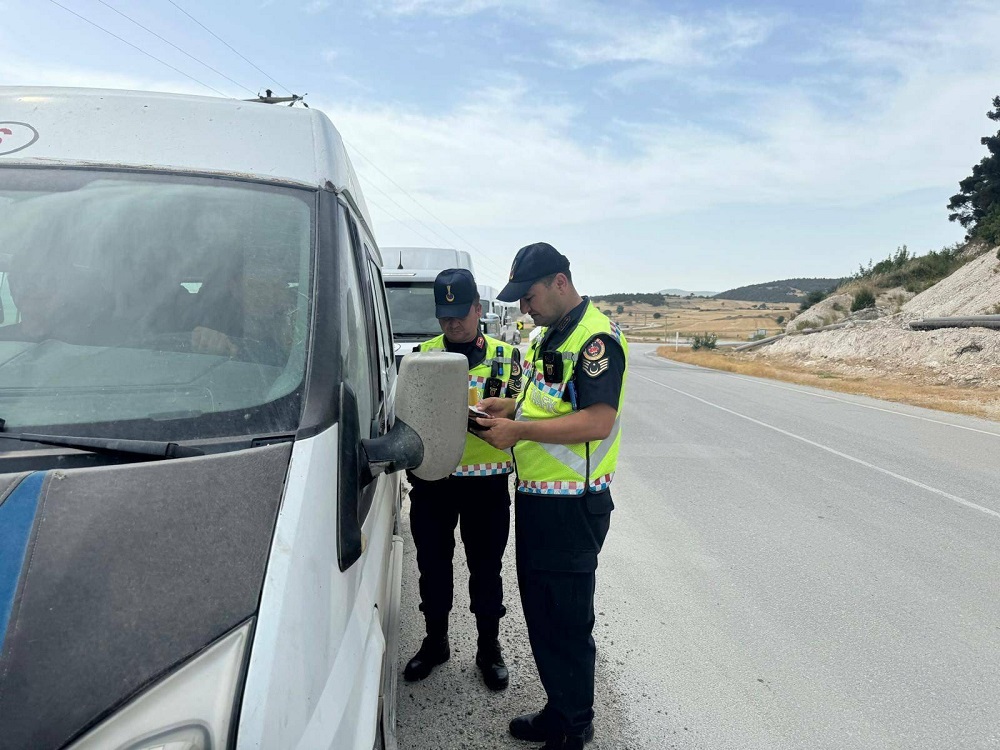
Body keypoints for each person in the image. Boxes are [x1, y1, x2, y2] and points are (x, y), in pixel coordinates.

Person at [475, 242, 628, 750]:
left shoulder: (595, 340)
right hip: (538, 500)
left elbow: (597, 420)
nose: (524, 308)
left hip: (572, 508)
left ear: (560, 282)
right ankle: (557, 708)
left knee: (566, 622)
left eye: (530, 295)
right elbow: (551, 402)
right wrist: (511, 406)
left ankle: (575, 727)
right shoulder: (547, 339)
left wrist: (519, 433)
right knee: (540, 616)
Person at [403, 268, 523, 691]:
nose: (452, 322)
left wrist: (506, 410)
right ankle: (436, 643)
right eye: (444, 315)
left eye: (460, 312)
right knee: (432, 567)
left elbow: (524, 412)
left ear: (478, 308)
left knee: (486, 570)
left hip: (486, 482)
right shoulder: (420, 355)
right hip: (433, 479)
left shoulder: (509, 357)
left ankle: (488, 648)